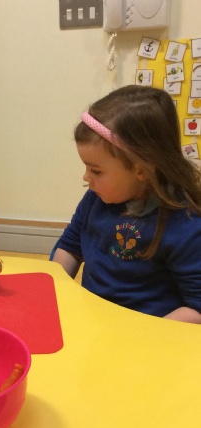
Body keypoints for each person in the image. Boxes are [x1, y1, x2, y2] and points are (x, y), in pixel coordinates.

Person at [52, 85, 201, 324]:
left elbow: (196, 308)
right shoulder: (96, 198)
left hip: (150, 333)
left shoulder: (186, 224)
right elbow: (70, 247)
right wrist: (54, 289)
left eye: (96, 171)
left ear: (141, 170)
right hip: (94, 320)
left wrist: (141, 333)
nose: (86, 177)